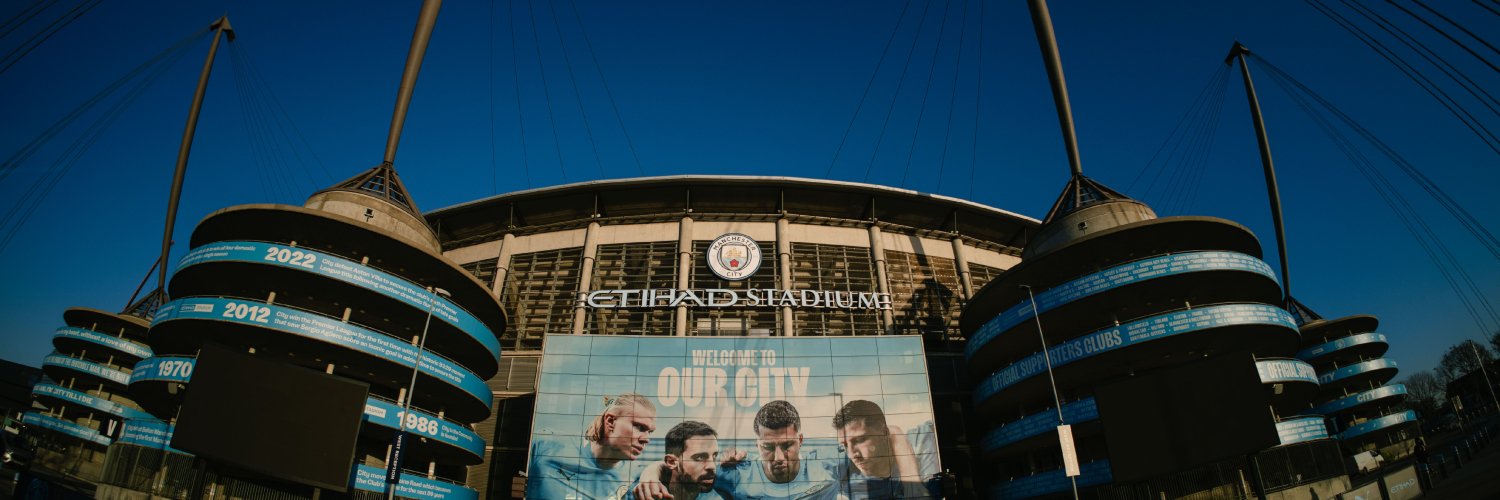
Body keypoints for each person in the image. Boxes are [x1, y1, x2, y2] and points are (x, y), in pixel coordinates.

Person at [634, 400, 839, 500]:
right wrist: (650, 474)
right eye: (767, 447)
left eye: (787, 445)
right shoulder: (735, 475)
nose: (778, 457)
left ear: (800, 440)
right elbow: (684, 467)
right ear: (757, 444)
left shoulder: (828, 467)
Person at [529, 393, 658, 500]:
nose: (646, 439)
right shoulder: (546, 446)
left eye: (650, 432)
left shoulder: (635, 480)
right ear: (611, 421)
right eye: (639, 427)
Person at [832, 400, 940, 499]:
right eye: (845, 445)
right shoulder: (843, 475)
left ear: (883, 431)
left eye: (860, 440)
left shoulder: (920, 441)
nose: (852, 454)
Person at [626, 421, 722, 500]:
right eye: (699, 458)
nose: (712, 466)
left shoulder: (721, 492)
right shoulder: (638, 492)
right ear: (672, 462)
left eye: (714, 456)